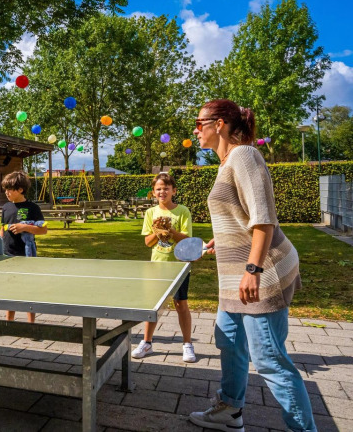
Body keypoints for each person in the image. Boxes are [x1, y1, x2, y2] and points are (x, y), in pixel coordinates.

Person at [188, 99, 316, 432]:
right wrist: (225, 241)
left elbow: (264, 219)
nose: (195, 130)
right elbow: (241, 218)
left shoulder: (245, 155)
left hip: (263, 272)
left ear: (219, 124)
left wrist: (252, 269)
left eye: (199, 123)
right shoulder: (226, 162)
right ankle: (229, 410)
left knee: (269, 359)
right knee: (229, 342)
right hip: (234, 276)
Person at [133, 173, 196, 363]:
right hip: (157, 266)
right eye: (158, 189)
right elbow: (147, 242)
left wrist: (171, 231)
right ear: (153, 192)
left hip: (179, 265)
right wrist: (158, 233)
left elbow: (187, 239)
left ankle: (187, 344)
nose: (162, 191)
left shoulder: (183, 211)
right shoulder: (150, 213)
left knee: (181, 304)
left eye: (166, 188)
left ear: (173, 191)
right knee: (154, 306)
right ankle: (147, 342)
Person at [0, 171, 47, 323]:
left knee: (28, 290)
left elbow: (43, 230)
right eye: (5, 189)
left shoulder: (32, 207)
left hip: (26, 256)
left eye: (9, 189)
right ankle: (9, 322)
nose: (6, 192)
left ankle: (31, 324)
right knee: (10, 290)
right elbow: (2, 228)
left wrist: (24, 227)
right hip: (8, 255)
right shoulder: (6, 207)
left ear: (20, 190)